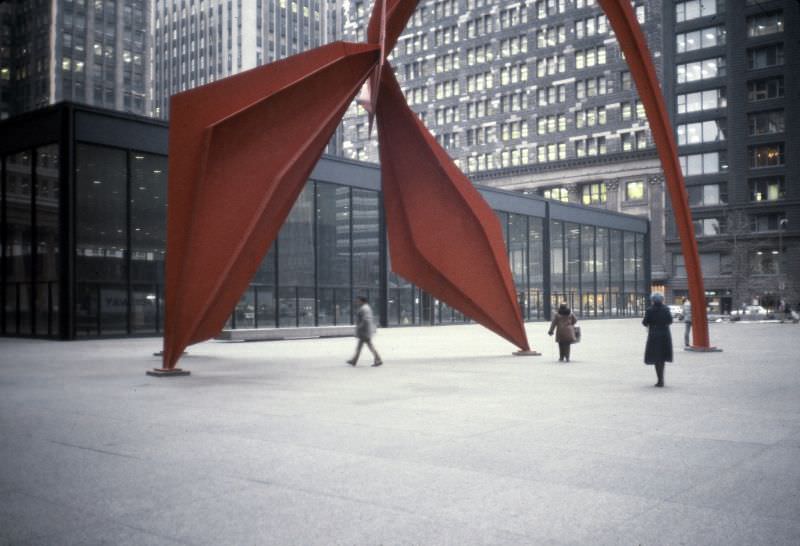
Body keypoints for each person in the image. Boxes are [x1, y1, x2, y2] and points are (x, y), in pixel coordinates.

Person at [643, 292, 673, 387]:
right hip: (665, 334)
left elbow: (644, 322)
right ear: (662, 300)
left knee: (656, 357)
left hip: (654, 335)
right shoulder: (666, 309)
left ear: (652, 300)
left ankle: (660, 379)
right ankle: (661, 379)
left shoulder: (649, 310)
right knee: (662, 357)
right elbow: (670, 321)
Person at [347, 296, 383, 367]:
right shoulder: (366, 307)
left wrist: (360, 327)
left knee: (369, 346)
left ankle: (378, 359)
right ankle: (354, 360)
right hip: (365, 331)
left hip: (364, 332)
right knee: (360, 347)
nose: (357, 302)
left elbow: (366, 319)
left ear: (362, 301)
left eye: (358, 301)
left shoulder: (364, 308)